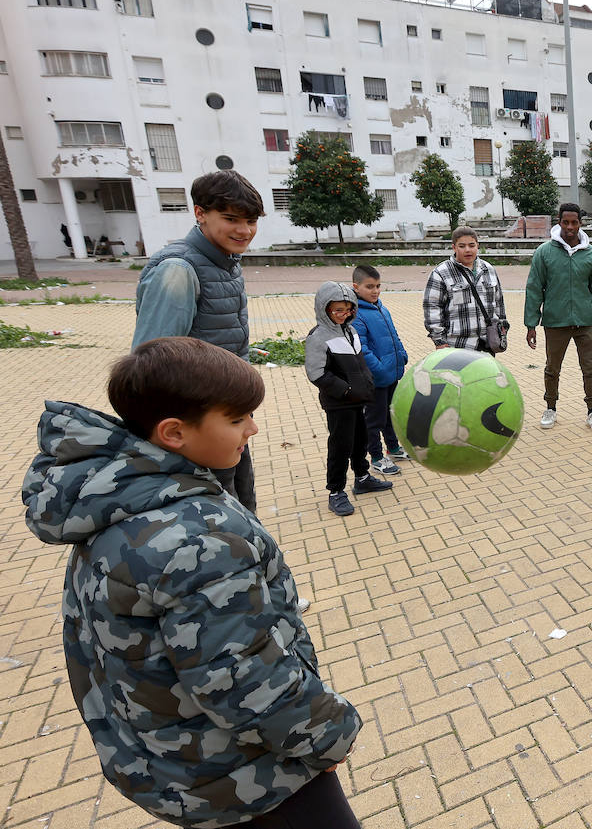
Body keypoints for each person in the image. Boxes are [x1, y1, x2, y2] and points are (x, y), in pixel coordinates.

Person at [22, 337, 363, 828]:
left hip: (175, 765)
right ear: (174, 432)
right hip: (247, 775)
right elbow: (241, 676)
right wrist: (328, 734)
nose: (254, 427)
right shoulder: (198, 539)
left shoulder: (112, 500)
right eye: (236, 419)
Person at [133, 170, 263, 512]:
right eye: (231, 218)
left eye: (250, 220)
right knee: (216, 526)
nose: (244, 230)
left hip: (227, 422)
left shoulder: (224, 262)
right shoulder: (177, 270)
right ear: (200, 213)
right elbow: (150, 370)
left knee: (242, 514)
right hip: (195, 434)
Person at [305, 281, 394, 516]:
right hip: (339, 403)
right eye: (338, 311)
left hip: (358, 400)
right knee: (340, 446)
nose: (344, 315)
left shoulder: (350, 331)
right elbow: (316, 373)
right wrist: (344, 390)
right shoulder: (318, 337)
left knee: (360, 441)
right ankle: (336, 491)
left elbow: (359, 364)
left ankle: (362, 477)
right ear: (324, 309)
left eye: (348, 310)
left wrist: (366, 385)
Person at [525, 203, 592, 432]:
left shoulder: (591, 254)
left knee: (590, 368)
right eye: (565, 222)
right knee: (552, 368)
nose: (570, 227)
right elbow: (534, 288)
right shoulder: (544, 253)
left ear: (580, 223)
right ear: (559, 222)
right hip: (555, 322)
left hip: (585, 322)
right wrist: (531, 323)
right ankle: (550, 407)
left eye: (574, 222)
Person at [352, 264, 410, 475]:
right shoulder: (357, 315)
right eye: (369, 287)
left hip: (391, 374)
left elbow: (394, 335)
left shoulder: (381, 308)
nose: (375, 291)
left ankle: (393, 447)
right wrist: (380, 369)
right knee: (374, 419)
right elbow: (363, 350)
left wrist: (402, 355)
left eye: (377, 286)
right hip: (376, 378)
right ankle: (376, 457)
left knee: (389, 414)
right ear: (356, 287)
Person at [423, 226, 509, 352]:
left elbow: (499, 303)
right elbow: (432, 307)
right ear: (454, 247)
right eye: (462, 246)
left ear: (477, 246)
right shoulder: (441, 273)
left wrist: (502, 329)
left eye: (471, 245)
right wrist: (439, 340)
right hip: (456, 345)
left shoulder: (488, 269)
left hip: (487, 343)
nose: (467, 250)